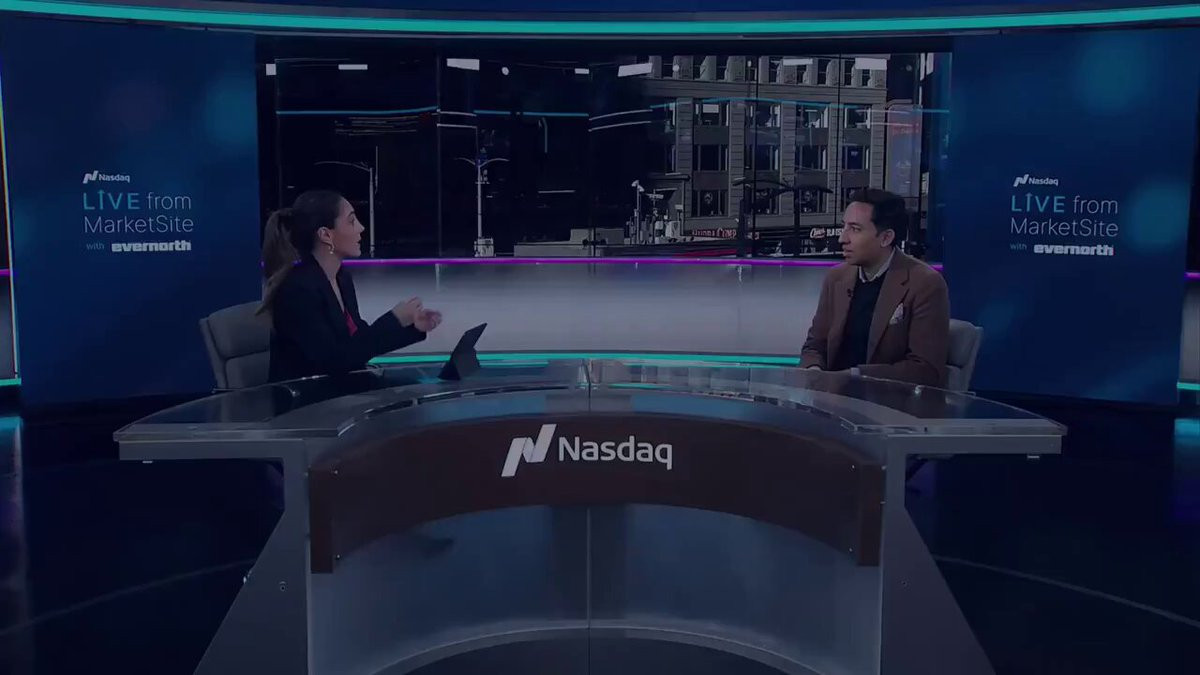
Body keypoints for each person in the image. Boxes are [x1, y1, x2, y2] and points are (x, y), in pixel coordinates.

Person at [260, 190, 442, 382]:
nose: (361, 228)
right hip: (310, 395)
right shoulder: (297, 289)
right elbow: (333, 360)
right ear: (326, 235)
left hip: (341, 386)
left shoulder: (341, 277)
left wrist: (413, 328)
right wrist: (394, 319)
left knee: (416, 387)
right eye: (352, 221)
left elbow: (358, 342)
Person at [800, 189, 949, 387]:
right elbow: (814, 346)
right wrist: (814, 371)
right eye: (844, 226)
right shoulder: (836, 278)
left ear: (886, 238)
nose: (842, 238)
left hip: (888, 402)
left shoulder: (925, 283)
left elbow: (925, 370)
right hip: (830, 397)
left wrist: (854, 376)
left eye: (855, 229)